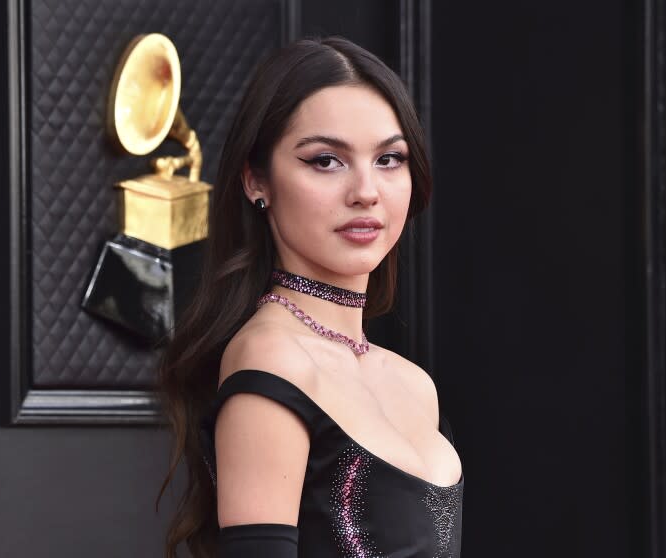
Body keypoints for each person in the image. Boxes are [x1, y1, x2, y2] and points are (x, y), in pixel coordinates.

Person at [156, 36, 463, 558]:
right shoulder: (272, 360)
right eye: (326, 161)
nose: (366, 190)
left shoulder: (415, 384)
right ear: (257, 180)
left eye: (389, 159)